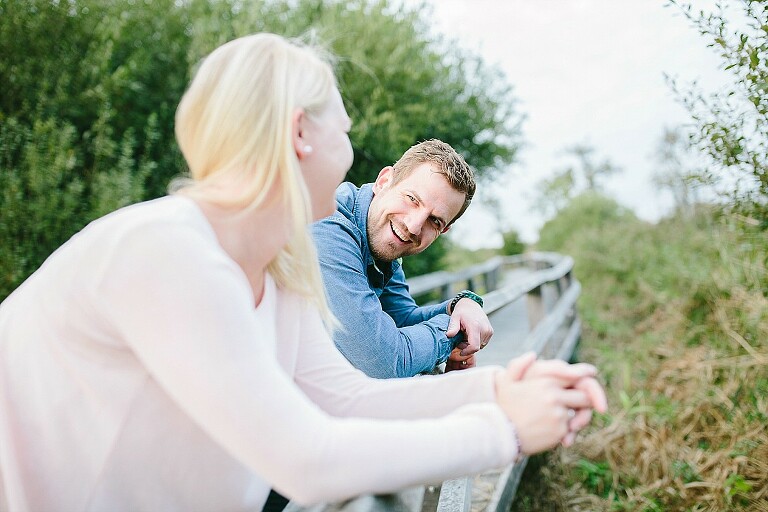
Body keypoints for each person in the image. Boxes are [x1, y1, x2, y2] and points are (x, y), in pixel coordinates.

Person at [0, 33, 606, 512]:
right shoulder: (166, 250)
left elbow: (346, 400)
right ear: (299, 133)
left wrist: (495, 390)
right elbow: (305, 459)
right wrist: (505, 431)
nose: (352, 155)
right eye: (344, 129)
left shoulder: (281, 265)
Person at [312, 140, 493, 378]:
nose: (414, 226)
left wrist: (462, 305)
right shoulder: (328, 227)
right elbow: (382, 361)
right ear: (384, 181)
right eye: (412, 199)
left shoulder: (383, 240)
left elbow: (403, 319)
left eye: (434, 221)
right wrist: (455, 332)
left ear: (443, 230)